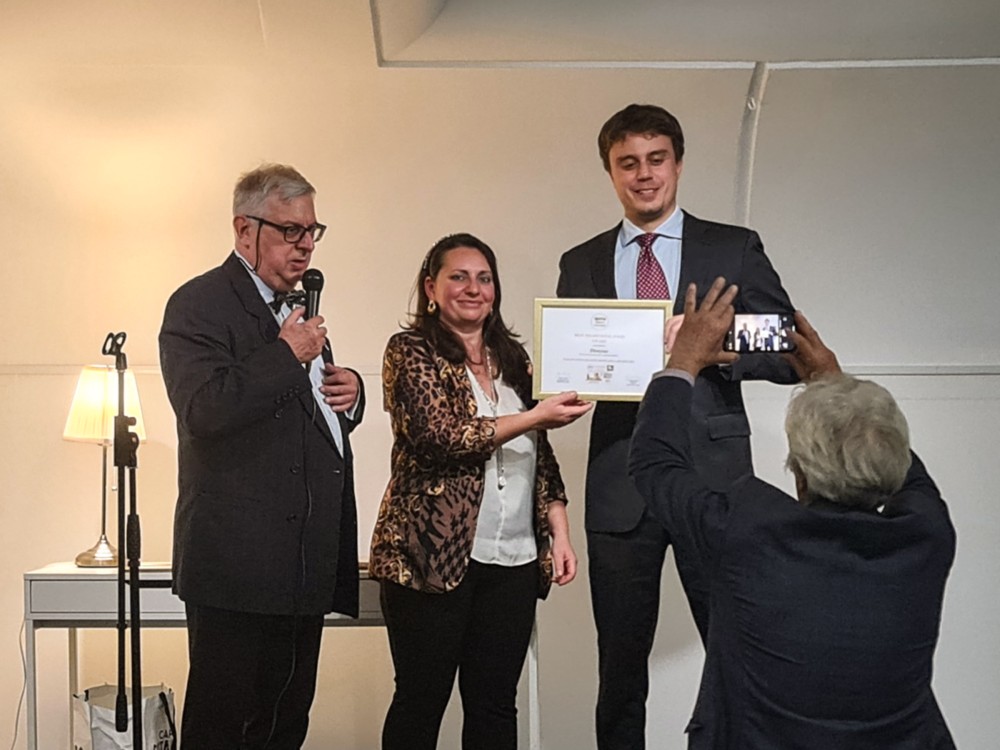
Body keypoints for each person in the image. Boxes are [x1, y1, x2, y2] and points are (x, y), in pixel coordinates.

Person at [556, 102, 799, 748]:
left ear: (679, 164)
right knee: (618, 672)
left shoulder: (732, 246)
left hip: (713, 482)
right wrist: (560, 382)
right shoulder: (579, 261)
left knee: (737, 655)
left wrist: (714, 343)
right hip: (620, 483)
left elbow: (787, 344)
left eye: (656, 160)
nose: (644, 175)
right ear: (611, 172)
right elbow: (573, 356)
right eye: (628, 163)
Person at [629, 278, 957, 749]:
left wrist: (683, 362)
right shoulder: (927, 535)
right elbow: (898, 459)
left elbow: (655, 464)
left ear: (800, 472)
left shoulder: (748, 531)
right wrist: (832, 380)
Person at [158, 163, 365, 749]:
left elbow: (302, 417)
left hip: (302, 560)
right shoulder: (199, 304)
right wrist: (284, 355)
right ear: (244, 229)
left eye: (312, 231)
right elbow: (204, 409)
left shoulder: (296, 312)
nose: (305, 245)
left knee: (285, 724)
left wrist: (351, 396)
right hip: (237, 565)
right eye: (290, 230)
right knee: (223, 727)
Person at [370, 233, 592, 750]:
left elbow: (540, 455)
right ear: (431, 288)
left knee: (494, 706)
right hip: (431, 560)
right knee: (421, 700)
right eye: (459, 277)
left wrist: (559, 532)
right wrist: (534, 416)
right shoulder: (410, 350)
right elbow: (440, 436)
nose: (473, 288)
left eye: (484, 278)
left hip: (514, 560)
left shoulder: (513, 360)